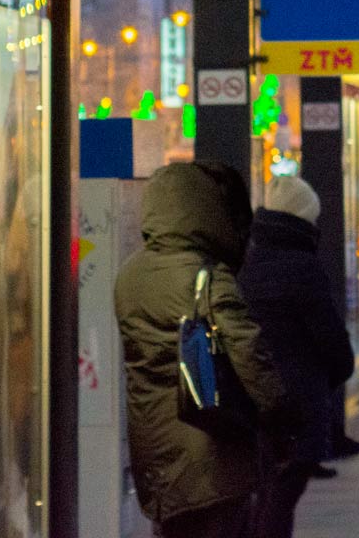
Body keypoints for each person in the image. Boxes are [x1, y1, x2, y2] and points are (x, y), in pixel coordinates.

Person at [115, 162, 288, 538]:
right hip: (211, 450)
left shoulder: (130, 274)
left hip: (155, 449)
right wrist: (280, 416)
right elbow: (249, 354)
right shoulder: (207, 276)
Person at [238, 176, 355, 538]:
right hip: (299, 402)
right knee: (283, 495)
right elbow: (331, 340)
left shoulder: (248, 260)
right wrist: (330, 377)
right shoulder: (303, 267)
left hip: (256, 397)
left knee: (267, 490)